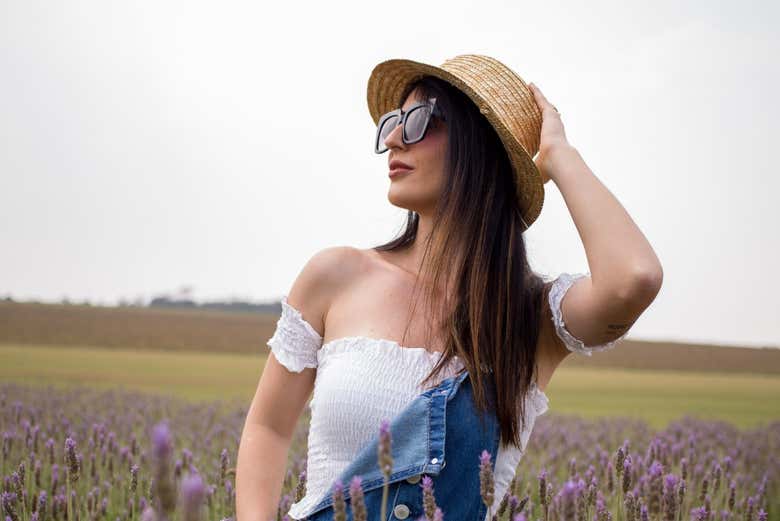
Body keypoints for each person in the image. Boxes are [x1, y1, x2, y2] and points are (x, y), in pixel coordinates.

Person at [235, 55, 663, 521]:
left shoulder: (528, 316)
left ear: (481, 147)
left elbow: (633, 278)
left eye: (419, 121)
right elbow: (269, 427)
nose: (394, 138)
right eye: (392, 123)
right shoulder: (336, 276)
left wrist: (560, 157)